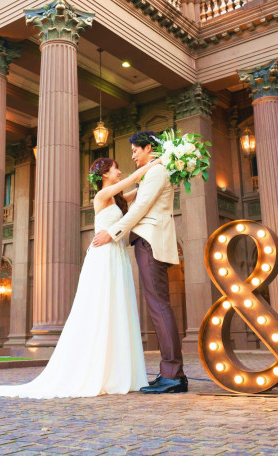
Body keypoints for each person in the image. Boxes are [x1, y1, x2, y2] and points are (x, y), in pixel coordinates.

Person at [0, 157, 159, 399]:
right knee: (103, 305)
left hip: (117, 253)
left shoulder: (117, 198)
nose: (119, 172)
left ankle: (118, 371)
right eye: (114, 169)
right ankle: (99, 370)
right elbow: (132, 180)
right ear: (104, 174)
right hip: (104, 256)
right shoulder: (101, 196)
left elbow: (136, 192)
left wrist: (157, 175)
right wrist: (153, 164)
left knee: (118, 305)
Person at [93, 131, 187, 394]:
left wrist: (112, 233)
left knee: (159, 307)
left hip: (149, 241)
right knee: (158, 306)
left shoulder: (156, 171)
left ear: (148, 148)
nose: (132, 155)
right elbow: (133, 198)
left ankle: (174, 375)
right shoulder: (150, 172)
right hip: (146, 240)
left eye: (135, 150)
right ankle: (169, 371)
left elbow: (140, 209)